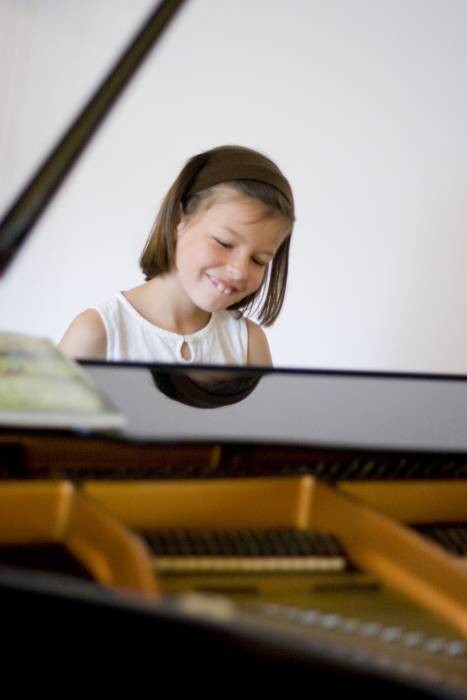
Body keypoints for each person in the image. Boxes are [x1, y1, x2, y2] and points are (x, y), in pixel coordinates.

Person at [59, 145, 295, 366]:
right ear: (176, 221)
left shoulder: (248, 344)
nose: (239, 270)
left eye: (259, 260)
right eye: (224, 243)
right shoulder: (96, 333)